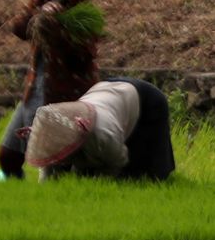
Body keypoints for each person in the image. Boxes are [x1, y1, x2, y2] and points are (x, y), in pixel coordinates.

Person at [0, 0, 105, 182]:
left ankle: (58, 189)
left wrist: (55, 28)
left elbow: (84, 57)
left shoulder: (83, 12)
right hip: (35, 86)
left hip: (67, 95)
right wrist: (41, 14)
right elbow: (18, 28)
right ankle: (13, 183)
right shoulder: (39, 1)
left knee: (55, 156)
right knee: (7, 155)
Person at [24, 77, 176, 181]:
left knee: (145, 176)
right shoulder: (50, 137)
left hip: (145, 99)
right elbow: (46, 178)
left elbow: (118, 161)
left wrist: (97, 186)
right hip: (103, 91)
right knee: (80, 173)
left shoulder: (102, 136)